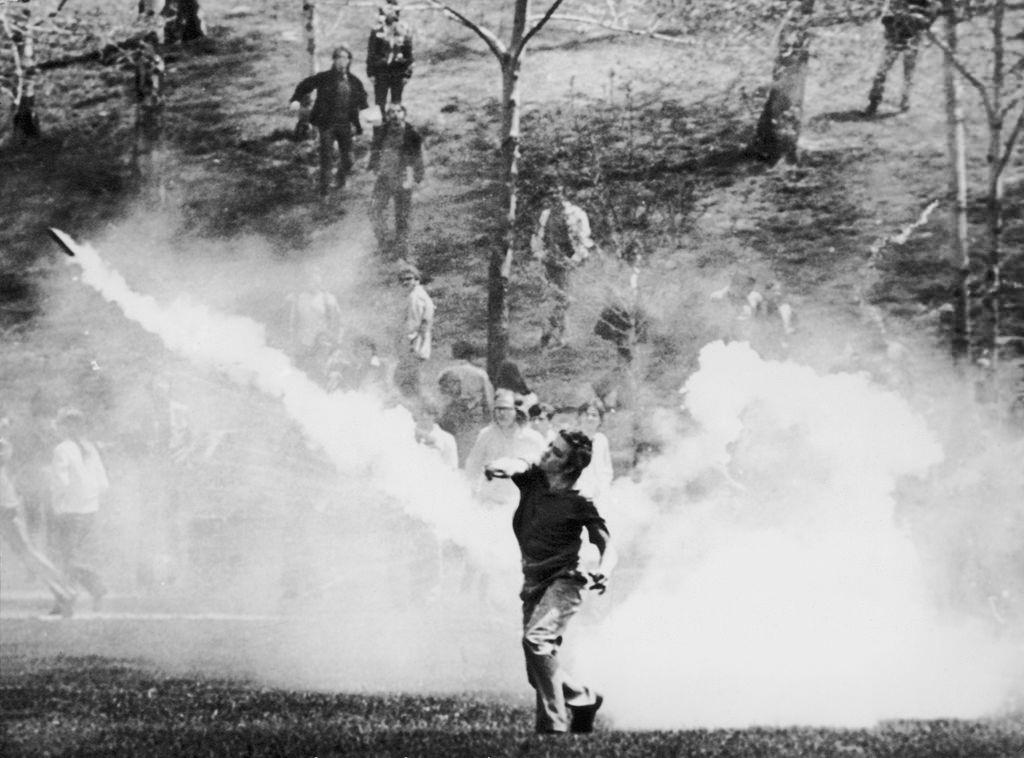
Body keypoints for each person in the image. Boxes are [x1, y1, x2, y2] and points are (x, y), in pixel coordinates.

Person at [485, 430, 617, 734]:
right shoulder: (533, 478)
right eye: (550, 447)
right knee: (538, 672)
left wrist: (605, 571)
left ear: (570, 467)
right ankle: (583, 698)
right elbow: (517, 463)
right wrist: (500, 466)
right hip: (533, 582)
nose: (547, 454)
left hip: (565, 582)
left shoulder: (578, 500)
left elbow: (607, 545)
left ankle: (553, 730)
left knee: (536, 642)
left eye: (557, 453)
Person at [0, 418, 76, 617]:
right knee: (26, 554)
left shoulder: (3, 445)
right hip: (5, 505)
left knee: (27, 553)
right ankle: (64, 593)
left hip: (4, 507)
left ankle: (66, 591)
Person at [288, 45, 368, 198]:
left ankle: (339, 179)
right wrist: (296, 99)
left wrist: (370, 116)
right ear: (334, 60)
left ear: (349, 60)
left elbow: (362, 100)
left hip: (345, 125)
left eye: (345, 58)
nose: (342, 61)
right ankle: (324, 192)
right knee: (327, 158)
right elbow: (305, 85)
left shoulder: (354, 81)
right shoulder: (324, 77)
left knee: (349, 160)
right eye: (339, 58)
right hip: (327, 125)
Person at [50, 408, 109, 610]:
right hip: (90, 510)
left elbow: (61, 482)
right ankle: (68, 599)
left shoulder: (62, 449)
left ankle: (88, 590)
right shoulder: (89, 447)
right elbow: (103, 483)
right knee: (71, 556)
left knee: (66, 558)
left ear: (65, 426)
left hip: (70, 511)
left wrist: (57, 506)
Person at [530, 185, 596, 349]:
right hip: (551, 261)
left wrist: (574, 259)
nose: (554, 197)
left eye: (558, 194)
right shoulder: (546, 214)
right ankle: (558, 336)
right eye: (551, 194)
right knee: (553, 298)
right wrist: (540, 253)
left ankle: (554, 336)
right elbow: (538, 236)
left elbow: (584, 240)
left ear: (565, 195)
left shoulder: (577, 214)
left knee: (564, 299)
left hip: (570, 262)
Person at [464, 389, 546, 510]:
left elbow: (544, 471)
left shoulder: (533, 438)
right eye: (498, 409)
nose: (502, 414)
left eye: (507, 409)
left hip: (519, 503)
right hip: (489, 501)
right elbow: (473, 466)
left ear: (517, 411)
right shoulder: (486, 435)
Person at [368, 103, 425, 258]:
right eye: (391, 112)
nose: (394, 115)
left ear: (404, 114)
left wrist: (417, 177)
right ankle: (384, 244)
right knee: (374, 210)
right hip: (385, 177)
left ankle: (401, 251)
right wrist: (374, 164)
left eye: (398, 111)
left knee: (402, 216)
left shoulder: (412, 134)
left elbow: (418, 157)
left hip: (403, 177)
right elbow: (376, 148)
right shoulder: (382, 132)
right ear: (387, 116)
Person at [865, 0, 939, 116]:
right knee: (882, 71)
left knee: (908, 73)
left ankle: (905, 102)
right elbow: (885, 17)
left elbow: (931, 15)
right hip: (895, 36)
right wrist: (892, 22)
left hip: (913, 38)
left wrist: (915, 18)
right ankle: (874, 102)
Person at [437, 340, 494, 466]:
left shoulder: (444, 372)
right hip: (472, 415)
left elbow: (439, 398)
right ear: (471, 356)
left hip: (449, 414)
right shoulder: (480, 374)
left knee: (448, 448)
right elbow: (488, 400)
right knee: (468, 450)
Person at [286, 264, 343, 374]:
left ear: (320, 279)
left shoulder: (329, 299)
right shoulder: (297, 298)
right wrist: (292, 344)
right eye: (309, 277)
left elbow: (338, 324)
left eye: (315, 276)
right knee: (300, 375)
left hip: (322, 345)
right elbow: (291, 323)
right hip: (302, 344)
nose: (312, 280)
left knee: (320, 374)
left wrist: (336, 344)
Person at [366, 0, 414, 120]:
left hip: (398, 72)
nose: (390, 11)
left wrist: (407, 74)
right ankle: (377, 133)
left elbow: (409, 54)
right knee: (379, 104)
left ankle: (395, 133)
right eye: (388, 8)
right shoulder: (377, 30)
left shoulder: (404, 29)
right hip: (381, 72)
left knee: (396, 104)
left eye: (393, 8)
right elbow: (371, 52)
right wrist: (370, 73)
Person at [394, 263, 434, 398]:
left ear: (417, 279)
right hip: (416, 347)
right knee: (412, 383)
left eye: (409, 278)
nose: (405, 282)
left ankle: (419, 413)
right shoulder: (417, 295)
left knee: (407, 383)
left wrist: (406, 346)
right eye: (402, 280)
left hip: (413, 347)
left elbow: (413, 325)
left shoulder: (415, 297)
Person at [573, 401, 613, 505]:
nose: (590, 418)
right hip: (576, 495)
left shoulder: (601, 440)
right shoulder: (573, 439)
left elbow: (607, 469)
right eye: (586, 414)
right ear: (579, 418)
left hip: (599, 495)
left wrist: (603, 488)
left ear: (600, 420)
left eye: (594, 415)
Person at [413, 396, 458, 470]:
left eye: (429, 412)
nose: (424, 416)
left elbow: (452, 468)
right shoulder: (405, 434)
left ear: (435, 415)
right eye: (421, 412)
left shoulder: (447, 438)